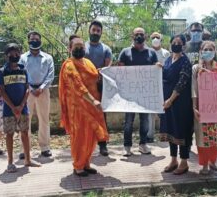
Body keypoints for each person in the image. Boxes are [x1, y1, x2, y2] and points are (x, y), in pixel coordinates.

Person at [59, 35, 109, 177]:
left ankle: (86, 163)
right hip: (78, 108)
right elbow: (78, 86)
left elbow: (96, 78)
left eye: (82, 46)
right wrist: (93, 101)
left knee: (90, 136)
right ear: (70, 48)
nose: (80, 49)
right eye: (76, 47)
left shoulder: (88, 62)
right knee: (80, 136)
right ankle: (78, 165)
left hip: (93, 107)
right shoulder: (69, 65)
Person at [0, 43, 40, 173]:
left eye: (17, 53)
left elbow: (27, 89)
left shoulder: (23, 70)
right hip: (9, 110)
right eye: (11, 54)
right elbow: (2, 92)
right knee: (9, 134)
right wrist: (13, 107)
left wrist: (21, 106)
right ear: (6, 55)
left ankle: (28, 159)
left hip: (23, 109)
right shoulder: (2, 72)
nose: (14, 56)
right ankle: (10, 162)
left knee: (25, 133)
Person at [118, 27, 158, 156]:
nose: (139, 36)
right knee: (128, 121)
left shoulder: (152, 53)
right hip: (129, 94)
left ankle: (143, 144)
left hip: (145, 94)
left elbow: (155, 70)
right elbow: (120, 71)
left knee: (145, 120)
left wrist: (159, 67)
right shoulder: (125, 52)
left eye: (141, 34)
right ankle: (127, 146)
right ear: (132, 36)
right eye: (137, 34)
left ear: (145, 36)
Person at [191, 41, 217, 175]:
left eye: (210, 49)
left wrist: (210, 74)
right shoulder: (196, 68)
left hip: (216, 108)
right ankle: (204, 164)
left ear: (215, 51)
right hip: (201, 107)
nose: (208, 52)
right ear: (200, 51)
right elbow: (193, 88)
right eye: (205, 49)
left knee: (214, 136)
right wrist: (194, 107)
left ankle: (213, 161)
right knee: (202, 137)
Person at [160, 34, 193, 175]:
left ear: (184, 45)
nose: (176, 44)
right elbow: (164, 77)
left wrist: (170, 100)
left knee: (182, 131)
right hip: (167, 103)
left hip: (180, 103)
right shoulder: (167, 60)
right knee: (170, 130)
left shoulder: (186, 61)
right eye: (174, 42)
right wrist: (158, 68)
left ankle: (184, 162)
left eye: (179, 43)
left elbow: (181, 83)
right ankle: (173, 160)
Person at [19, 31, 54, 159]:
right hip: (27, 91)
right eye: (32, 39)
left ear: (40, 41)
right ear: (28, 41)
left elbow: (50, 75)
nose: (35, 41)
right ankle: (24, 148)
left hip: (43, 92)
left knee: (44, 119)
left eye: (37, 39)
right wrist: (29, 87)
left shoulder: (48, 58)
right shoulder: (22, 58)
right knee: (25, 120)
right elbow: (21, 75)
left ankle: (45, 148)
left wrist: (41, 88)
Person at [84, 20, 112, 156]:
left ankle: (103, 144)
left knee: (101, 116)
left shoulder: (106, 49)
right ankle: (85, 145)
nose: (95, 32)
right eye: (93, 30)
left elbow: (108, 68)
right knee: (84, 116)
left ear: (101, 33)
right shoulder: (82, 48)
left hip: (101, 87)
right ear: (89, 30)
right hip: (84, 88)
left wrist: (102, 71)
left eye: (98, 31)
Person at [148, 32, 171, 143]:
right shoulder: (147, 53)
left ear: (161, 40)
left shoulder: (166, 53)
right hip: (150, 86)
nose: (155, 39)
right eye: (153, 37)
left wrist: (163, 67)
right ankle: (149, 135)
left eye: (157, 37)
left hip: (163, 85)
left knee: (164, 110)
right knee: (150, 111)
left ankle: (164, 135)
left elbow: (169, 68)